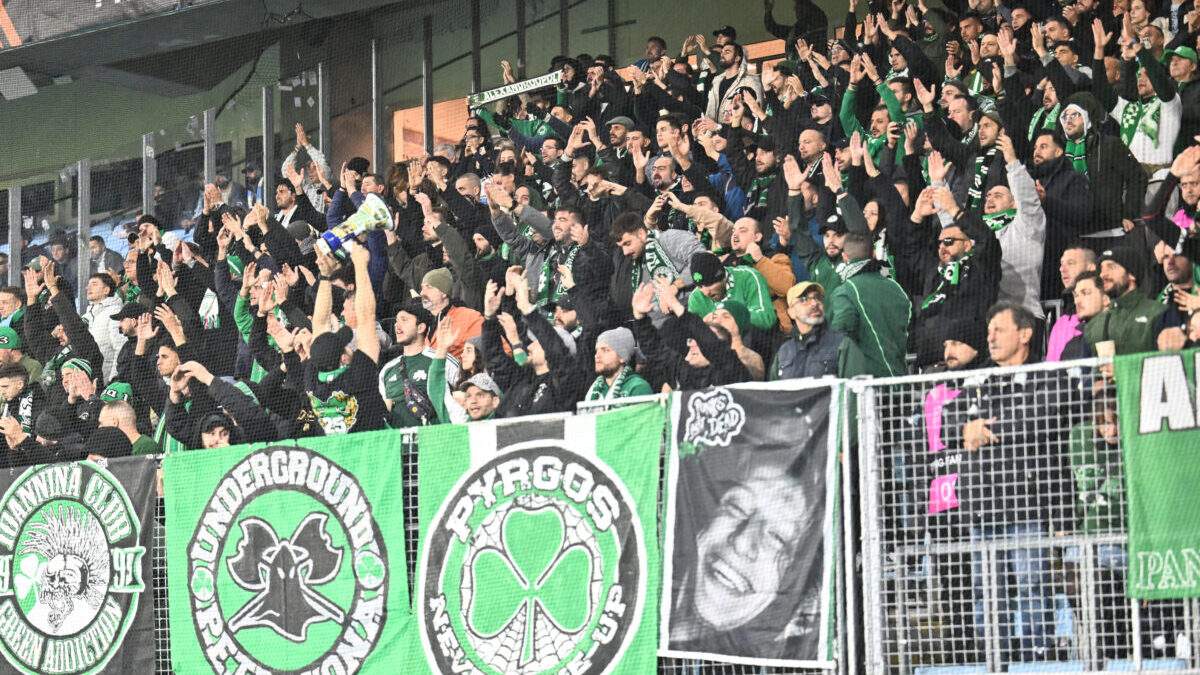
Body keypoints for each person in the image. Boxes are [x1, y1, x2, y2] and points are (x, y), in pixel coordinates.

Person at [827, 232, 911, 377]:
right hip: (901, 379)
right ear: (873, 254)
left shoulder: (845, 291)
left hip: (868, 382)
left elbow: (840, 333)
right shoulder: (896, 287)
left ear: (845, 257)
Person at [1084, 246, 1166, 354]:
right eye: (1101, 269)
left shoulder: (1157, 313)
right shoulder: (1093, 325)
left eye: (1111, 267)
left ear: (1132, 274)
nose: (1102, 274)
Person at [770, 282, 844, 379]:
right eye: (804, 299)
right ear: (791, 312)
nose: (814, 303)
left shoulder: (842, 344)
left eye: (817, 298)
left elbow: (857, 384)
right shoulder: (783, 352)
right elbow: (773, 388)